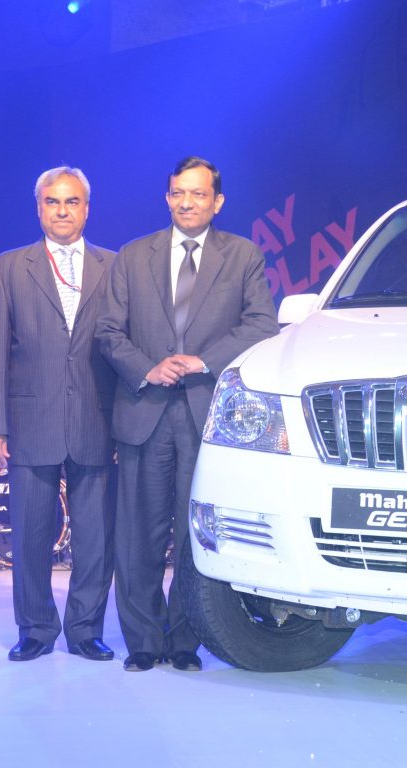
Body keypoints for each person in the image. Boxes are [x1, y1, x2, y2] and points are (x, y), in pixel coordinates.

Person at [96, 156, 279, 673]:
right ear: (167, 197)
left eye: (198, 194)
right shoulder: (134, 256)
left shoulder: (242, 256)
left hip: (206, 415)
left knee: (195, 534)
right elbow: (108, 331)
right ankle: (142, 641)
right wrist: (148, 368)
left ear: (217, 202)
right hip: (144, 410)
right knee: (138, 535)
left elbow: (261, 324)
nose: (187, 202)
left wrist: (202, 361)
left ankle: (184, 640)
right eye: (178, 193)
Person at [0, 166, 117, 663]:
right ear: (38, 208)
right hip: (31, 420)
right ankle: (35, 629)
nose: (62, 211)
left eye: (72, 201)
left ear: (87, 208)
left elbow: (124, 348)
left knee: (96, 538)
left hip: (96, 420)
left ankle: (85, 630)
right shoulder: (7, 268)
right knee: (31, 534)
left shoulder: (114, 266)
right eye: (52, 201)